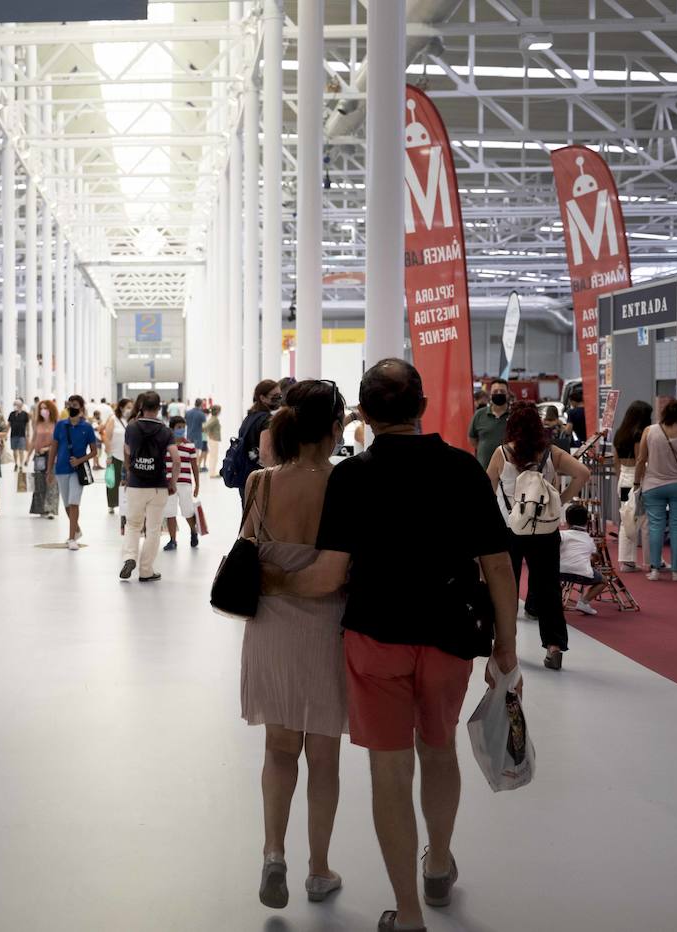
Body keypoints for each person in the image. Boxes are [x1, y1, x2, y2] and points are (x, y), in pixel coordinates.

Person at [274, 359, 519, 932]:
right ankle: (437, 863)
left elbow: (330, 574)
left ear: (363, 414)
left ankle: (407, 913)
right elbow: (499, 566)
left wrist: (275, 581)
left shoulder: (352, 478)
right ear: (423, 405)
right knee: (438, 750)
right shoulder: (463, 469)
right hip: (449, 635)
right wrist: (505, 645)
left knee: (390, 771)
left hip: (375, 637)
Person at [241, 381, 349, 911]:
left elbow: (247, 553)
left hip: (271, 627)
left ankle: (272, 851)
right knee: (324, 755)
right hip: (329, 627)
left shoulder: (260, 484)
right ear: (333, 429)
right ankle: (318, 868)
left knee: (279, 749)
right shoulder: (344, 485)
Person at [488, 402, 590, 670]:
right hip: (545, 529)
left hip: (509, 529)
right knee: (548, 589)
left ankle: (504, 643)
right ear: (538, 424)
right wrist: (561, 500)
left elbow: (486, 491)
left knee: (504, 588)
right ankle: (554, 645)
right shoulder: (551, 453)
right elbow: (583, 473)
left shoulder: (501, 453)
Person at [635, 398, 677, 581]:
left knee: (655, 527)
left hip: (653, 486)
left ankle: (654, 570)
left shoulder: (649, 431)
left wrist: (637, 483)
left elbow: (640, 460)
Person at [120, 391, 179, 580]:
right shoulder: (166, 431)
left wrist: (130, 471)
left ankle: (130, 557)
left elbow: (127, 452)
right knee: (153, 529)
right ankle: (146, 571)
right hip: (158, 485)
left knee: (133, 525)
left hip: (136, 484)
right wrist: (173, 481)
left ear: (141, 407)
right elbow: (176, 459)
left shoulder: (131, 427)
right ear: (159, 408)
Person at [49, 395, 100, 550]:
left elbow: (94, 451)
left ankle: (72, 538)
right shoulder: (60, 425)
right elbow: (54, 447)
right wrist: (49, 470)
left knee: (74, 503)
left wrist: (80, 460)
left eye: (75, 404)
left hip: (77, 471)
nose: (72, 406)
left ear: (81, 408)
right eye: (70, 404)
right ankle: (76, 529)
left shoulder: (87, 427)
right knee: (66, 505)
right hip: (61, 469)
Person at [613, 400, 653, 572]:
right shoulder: (640, 434)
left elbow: (615, 461)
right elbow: (640, 460)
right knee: (645, 520)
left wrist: (620, 477)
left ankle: (626, 560)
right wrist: (639, 482)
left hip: (623, 478)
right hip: (637, 480)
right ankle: (651, 560)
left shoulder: (619, 433)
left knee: (626, 517)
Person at [233, 380, 283, 497]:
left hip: (246, 476)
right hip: (260, 478)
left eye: (280, 395)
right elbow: (265, 455)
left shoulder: (249, 418)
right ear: (263, 398)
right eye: (275, 396)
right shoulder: (267, 420)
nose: (279, 399)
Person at [559, 504, 608, 615]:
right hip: (582, 573)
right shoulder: (589, 539)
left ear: (567, 521)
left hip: (559, 571)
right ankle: (583, 602)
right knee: (603, 580)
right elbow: (594, 558)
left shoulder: (561, 534)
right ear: (586, 522)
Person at [162, 415, 200, 550]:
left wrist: (197, 485)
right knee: (169, 512)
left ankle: (193, 531)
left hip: (185, 484)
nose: (182, 430)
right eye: (179, 427)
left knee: (187, 510)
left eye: (183, 427)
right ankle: (172, 540)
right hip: (169, 484)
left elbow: (195, 467)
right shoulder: (165, 446)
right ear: (171, 429)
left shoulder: (189, 445)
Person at [467, 377, 509, 467]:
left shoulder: (515, 415)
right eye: (495, 391)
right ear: (490, 394)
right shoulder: (479, 414)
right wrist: (483, 449)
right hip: (484, 468)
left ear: (508, 394)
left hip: (509, 470)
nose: (498, 393)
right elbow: (472, 438)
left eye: (502, 391)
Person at [29, 399, 60, 519]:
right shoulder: (37, 423)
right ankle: (41, 508)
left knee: (51, 481)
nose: (43, 411)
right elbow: (33, 440)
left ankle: (51, 508)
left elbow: (59, 441)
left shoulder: (57, 424)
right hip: (39, 457)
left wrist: (47, 449)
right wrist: (27, 457)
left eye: (45, 408)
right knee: (39, 482)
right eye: (41, 408)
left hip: (53, 455)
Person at [104, 398, 131, 516]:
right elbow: (107, 437)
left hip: (128, 456)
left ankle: (125, 503)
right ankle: (112, 504)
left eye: (131, 407)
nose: (130, 410)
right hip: (115, 455)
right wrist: (109, 455)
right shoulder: (113, 420)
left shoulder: (130, 421)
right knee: (113, 481)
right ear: (121, 408)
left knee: (126, 481)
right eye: (128, 407)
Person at [185, 399, 208, 472]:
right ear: (201, 404)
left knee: (189, 451)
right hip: (197, 435)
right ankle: (196, 467)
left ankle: (189, 466)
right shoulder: (201, 414)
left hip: (189, 434)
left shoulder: (188, 412)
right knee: (196, 451)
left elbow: (186, 422)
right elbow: (204, 426)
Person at [8, 400, 30, 470]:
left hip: (22, 435)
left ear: (20, 405)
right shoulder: (11, 414)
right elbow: (8, 424)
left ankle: (21, 464)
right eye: (14, 405)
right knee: (14, 450)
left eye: (16, 405)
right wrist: (5, 433)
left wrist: (28, 432)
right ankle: (16, 463)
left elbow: (27, 424)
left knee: (21, 450)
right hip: (13, 434)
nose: (14, 406)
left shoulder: (25, 414)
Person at [206, 404, 223, 477]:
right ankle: (212, 473)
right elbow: (206, 427)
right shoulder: (214, 419)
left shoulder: (213, 418)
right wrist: (210, 434)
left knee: (214, 456)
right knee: (214, 457)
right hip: (213, 440)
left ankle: (213, 472)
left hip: (213, 439)